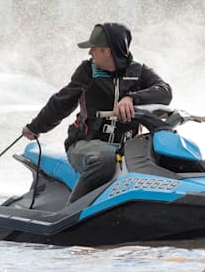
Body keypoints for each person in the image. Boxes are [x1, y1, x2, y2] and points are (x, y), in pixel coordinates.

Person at [22, 22, 172, 203]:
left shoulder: (139, 72)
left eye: (93, 48)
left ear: (107, 51)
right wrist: (35, 127)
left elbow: (164, 91)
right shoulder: (87, 71)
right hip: (86, 144)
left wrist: (132, 98)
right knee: (106, 158)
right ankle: (73, 211)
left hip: (128, 148)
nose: (89, 52)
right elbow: (61, 102)